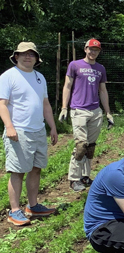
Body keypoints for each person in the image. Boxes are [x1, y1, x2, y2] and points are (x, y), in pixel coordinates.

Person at [0, 42, 58, 226]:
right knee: (17, 171)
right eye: (24, 54)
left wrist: (52, 127)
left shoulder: (40, 77)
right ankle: (15, 210)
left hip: (38, 130)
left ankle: (33, 206)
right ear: (16, 56)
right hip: (19, 131)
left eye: (31, 54)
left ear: (36, 58)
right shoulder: (8, 76)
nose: (28, 57)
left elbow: (45, 105)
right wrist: (9, 126)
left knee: (36, 168)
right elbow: (2, 104)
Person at [58, 38, 114, 192]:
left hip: (95, 111)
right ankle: (74, 179)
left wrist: (108, 112)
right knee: (81, 145)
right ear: (85, 49)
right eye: (91, 49)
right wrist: (64, 107)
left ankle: (85, 176)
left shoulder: (100, 68)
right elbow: (67, 86)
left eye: (96, 50)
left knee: (90, 147)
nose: (93, 52)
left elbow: (103, 91)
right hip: (79, 110)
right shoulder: (74, 65)